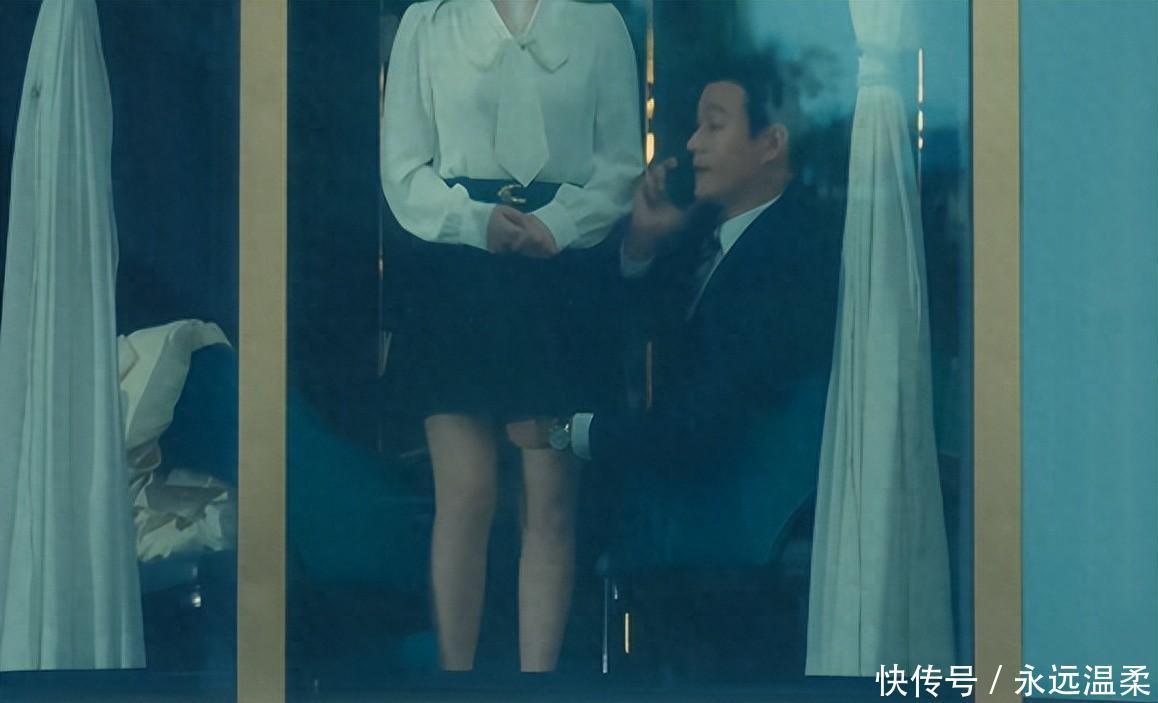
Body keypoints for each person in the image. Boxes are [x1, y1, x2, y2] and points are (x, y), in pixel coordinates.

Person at [379, 0, 642, 673]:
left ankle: (537, 685)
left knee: (549, 500)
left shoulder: (599, 22)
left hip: (561, 280)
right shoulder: (428, 22)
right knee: (466, 494)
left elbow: (620, 166)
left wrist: (561, 223)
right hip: (458, 277)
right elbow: (402, 169)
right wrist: (473, 222)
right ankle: (455, 681)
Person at [507, 54, 842, 565]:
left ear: (771, 144)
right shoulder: (706, 238)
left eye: (714, 126)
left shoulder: (784, 264)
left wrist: (566, 432)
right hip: (689, 508)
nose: (692, 144)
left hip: (728, 532)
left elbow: (704, 426)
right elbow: (636, 327)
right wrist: (642, 245)